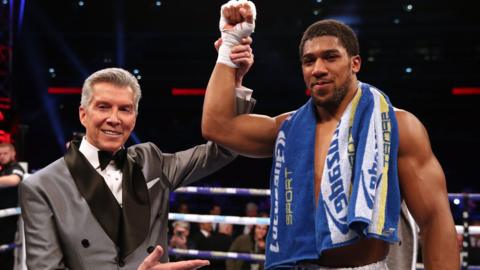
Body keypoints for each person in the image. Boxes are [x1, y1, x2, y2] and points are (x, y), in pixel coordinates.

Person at [202, 1, 458, 269]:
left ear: (355, 63)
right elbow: (217, 126)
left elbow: (435, 220)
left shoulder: (396, 126)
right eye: (309, 61)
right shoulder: (287, 129)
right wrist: (230, 44)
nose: (318, 68)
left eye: (330, 57)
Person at [19, 64, 254, 269]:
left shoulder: (152, 161)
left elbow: (224, 149)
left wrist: (232, 80)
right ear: (83, 114)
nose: (114, 118)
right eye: (103, 107)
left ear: (135, 116)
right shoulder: (41, 186)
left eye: (125, 109)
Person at [0, 142, 25, 270]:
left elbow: (14, 180)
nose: (2, 156)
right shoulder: (3, 170)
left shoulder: (16, 167)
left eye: (5, 153)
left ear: (13, 153)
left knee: (5, 252)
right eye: (0, 154)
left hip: (9, 218)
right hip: (2, 216)